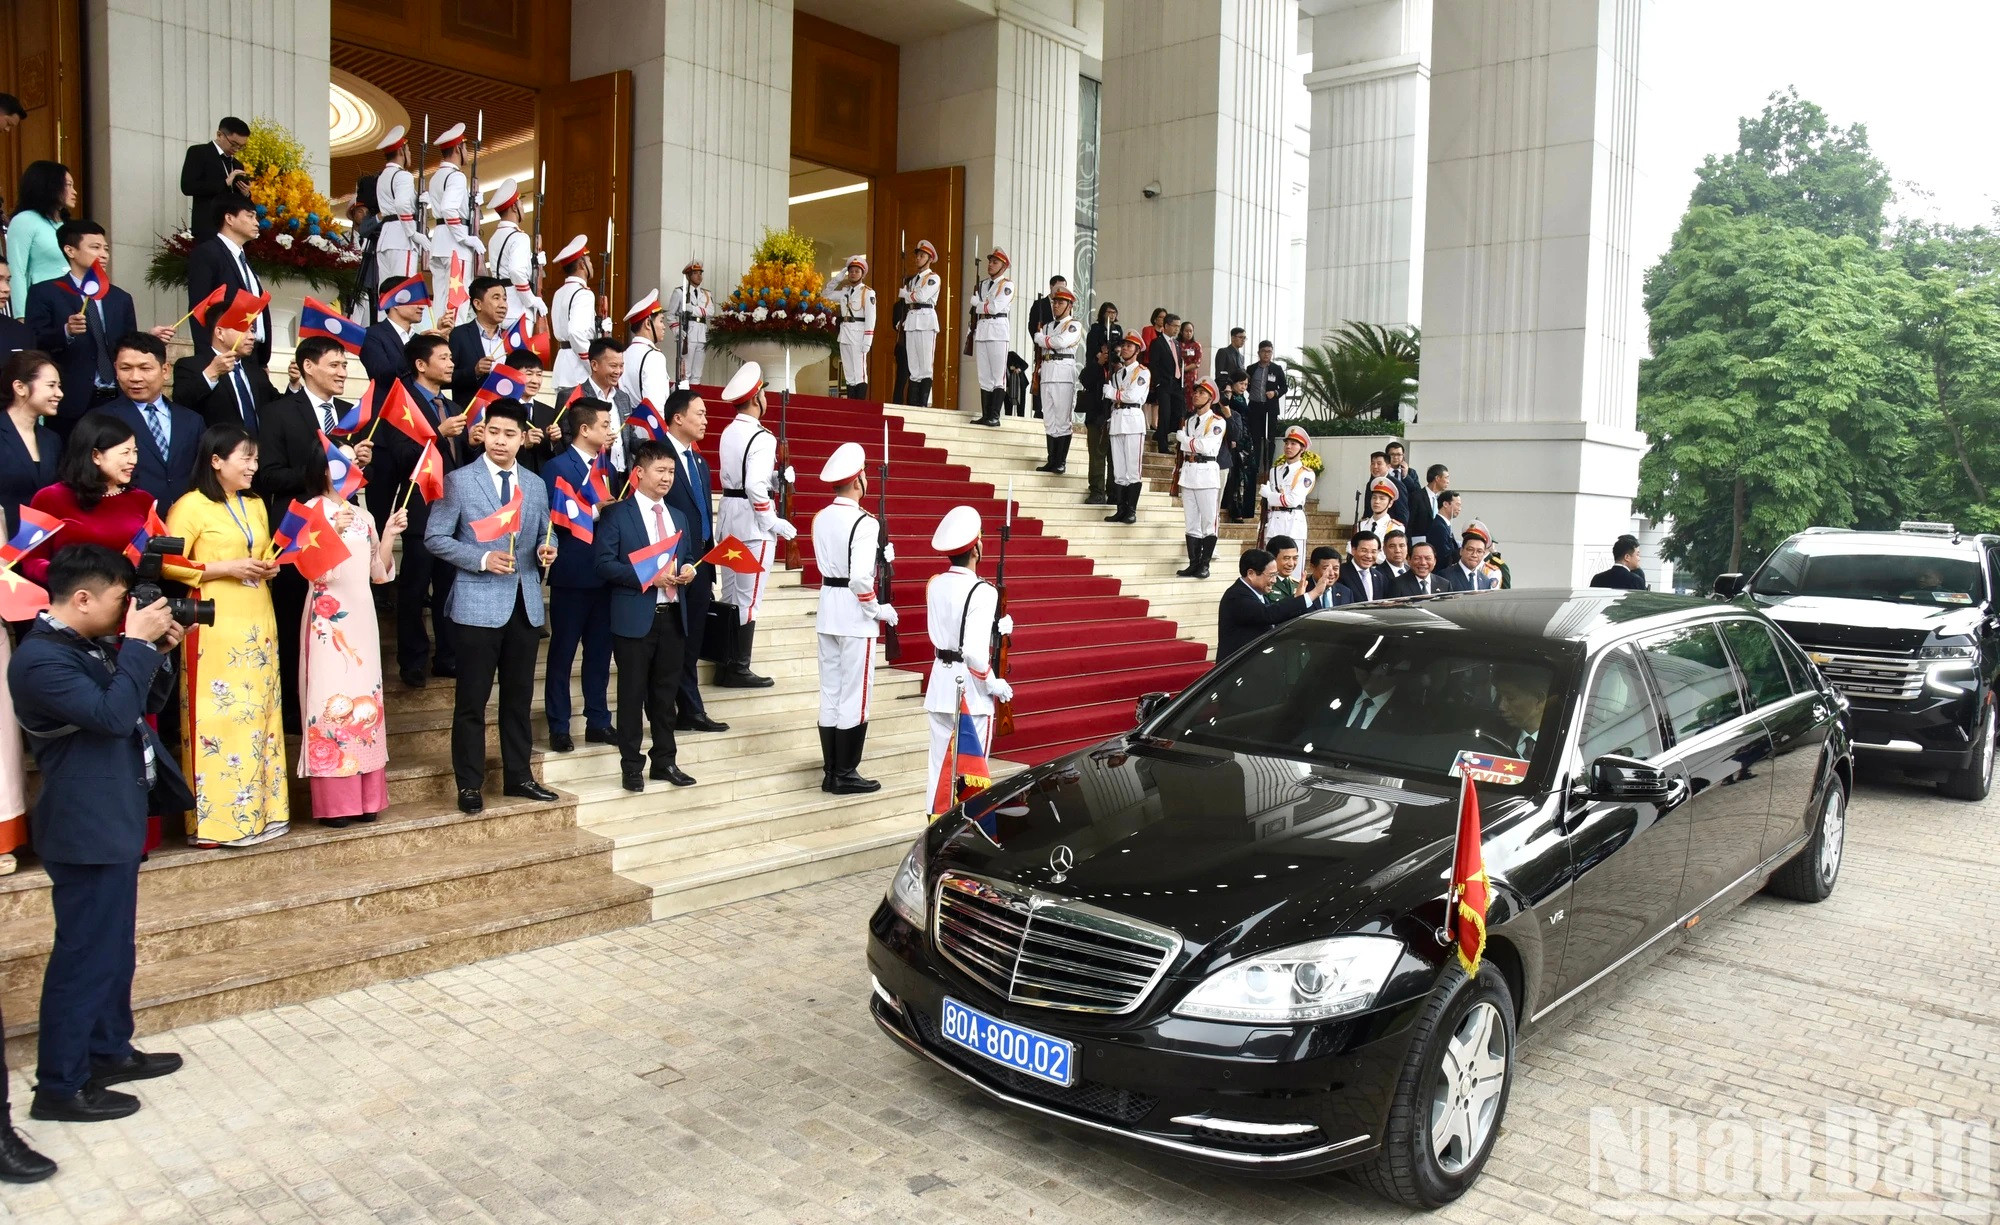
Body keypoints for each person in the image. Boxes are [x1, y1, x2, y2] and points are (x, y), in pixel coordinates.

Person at [12, 545, 190, 1130]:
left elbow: (137, 706)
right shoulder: (39, 660)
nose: (126, 613)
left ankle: (109, 1050)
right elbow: (112, 718)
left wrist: (157, 655)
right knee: (83, 958)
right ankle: (60, 1086)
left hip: (111, 816)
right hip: (82, 826)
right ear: (81, 598)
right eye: (120, 601)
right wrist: (136, 646)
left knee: (113, 950)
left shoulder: (85, 645)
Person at [424, 398, 559, 814]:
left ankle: (519, 776)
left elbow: (545, 535)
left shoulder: (534, 485)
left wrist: (547, 550)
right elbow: (435, 537)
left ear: (523, 438)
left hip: (524, 606)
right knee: (472, 701)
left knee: (518, 699)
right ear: (482, 433)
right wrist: (481, 558)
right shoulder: (459, 481)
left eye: (510, 434)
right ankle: (469, 784)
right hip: (476, 605)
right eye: (494, 432)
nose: (501, 441)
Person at [164, 424, 288, 847]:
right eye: (246, 459)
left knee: (260, 714)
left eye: (256, 459)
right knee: (219, 714)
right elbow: (167, 564)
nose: (254, 467)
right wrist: (223, 568)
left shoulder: (254, 504)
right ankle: (215, 822)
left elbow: (263, 552)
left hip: (258, 614)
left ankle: (263, 812)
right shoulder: (190, 505)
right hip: (214, 618)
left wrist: (268, 565)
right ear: (216, 461)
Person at [253, 335, 370, 730]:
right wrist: (320, 474)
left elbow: (351, 481)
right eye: (335, 365)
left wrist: (357, 466)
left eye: (344, 366)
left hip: (346, 533)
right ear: (307, 366)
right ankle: (294, 712)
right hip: (301, 533)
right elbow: (267, 474)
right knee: (293, 622)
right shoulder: (278, 413)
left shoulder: (349, 414)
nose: (343, 373)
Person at [293, 437, 406, 826]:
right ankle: (335, 801)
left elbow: (378, 572)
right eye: (341, 461)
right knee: (330, 697)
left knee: (366, 697)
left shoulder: (364, 515)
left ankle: (367, 795)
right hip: (328, 618)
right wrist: (327, 532)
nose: (352, 468)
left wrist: (389, 534)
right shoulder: (307, 511)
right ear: (325, 469)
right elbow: (310, 571)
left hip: (362, 616)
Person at [594, 439, 699, 792]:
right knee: (631, 694)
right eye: (660, 471)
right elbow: (604, 564)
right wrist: (647, 577)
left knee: (665, 695)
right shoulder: (617, 515)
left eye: (671, 471)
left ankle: (665, 761)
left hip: (672, 614)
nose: (667, 478)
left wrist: (688, 569)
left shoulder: (678, 515)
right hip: (635, 617)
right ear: (639, 473)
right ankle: (631, 765)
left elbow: (685, 555)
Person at [373, 332, 464, 688]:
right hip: (420, 508)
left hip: (453, 510)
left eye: (451, 357)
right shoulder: (403, 405)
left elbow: (462, 463)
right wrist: (438, 434)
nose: (451, 363)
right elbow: (401, 457)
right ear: (421, 364)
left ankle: (448, 656)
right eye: (443, 357)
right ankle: (412, 660)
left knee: (448, 588)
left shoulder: (456, 408)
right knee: (414, 589)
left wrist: (471, 442)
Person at [812, 441, 897, 793]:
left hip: (828, 608)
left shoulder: (821, 517)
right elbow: (861, 578)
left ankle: (831, 769)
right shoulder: (864, 522)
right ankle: (845, 773)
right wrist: (877, 609)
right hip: (853, 612)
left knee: (830, 691)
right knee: (856, 695)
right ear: (858, 480)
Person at [714, 363, 796, 688]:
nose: (765, 398)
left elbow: (745, 479)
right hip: (752, 524)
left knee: (731, 593)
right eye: (762, 393)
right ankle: (738, 667)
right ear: (756, 399)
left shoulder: (729, 431)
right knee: (749, 600)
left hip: (730, 517)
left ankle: (725, 663)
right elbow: (753, 486)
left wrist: (778, 478)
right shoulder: (762, 437)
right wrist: (772, 520)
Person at [541, 397, 615, 752]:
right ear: (584, 429)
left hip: (606, 573)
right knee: (563, 652)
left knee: (600, 653)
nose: (610, 430)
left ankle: (598, 720)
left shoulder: (609, 467)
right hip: (571, 571)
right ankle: (559, 724)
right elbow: (553, 519)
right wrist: (597, 512)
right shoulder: (556, 466)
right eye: (604, 424)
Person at [923, 506, 1012, 799]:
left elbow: (952, 630)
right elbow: (973, 651)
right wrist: (992, 682)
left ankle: (935, 829)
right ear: (976, 548)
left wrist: (993, 629)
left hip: (940, 684)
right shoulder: (983, 591)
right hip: (970, 693)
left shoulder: (936, 584)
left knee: (939, 772)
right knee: (970, 778)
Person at [658, 389, 726, 733]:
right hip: (669, 564)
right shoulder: (658, 454)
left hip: (699, 562)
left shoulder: (698, 461)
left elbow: (702, 513)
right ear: (678, 417)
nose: (705, 420)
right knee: (673, 638)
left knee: (693, 637)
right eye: (699, 414)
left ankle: (689, 706)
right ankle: (680, 706)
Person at [25, 220, 139, 423]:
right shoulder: (45, 292)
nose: (103, 254)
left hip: (117, 398)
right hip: (71, 399)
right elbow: (34, 341)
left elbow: (128, 343)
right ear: (70, 250)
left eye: (106, 248)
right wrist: (66, 331)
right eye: (95, 247)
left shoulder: (120, 298)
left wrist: (149, 340)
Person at [97, 334, 205, 511]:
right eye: (125, 368)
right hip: (130, 520)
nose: (135, 377)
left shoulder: (192, 421)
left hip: (186, 519)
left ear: (165, 371)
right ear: (115, 369)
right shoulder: (102, 419)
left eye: (145, 368)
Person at [186, 198, 273, 367]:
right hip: (224, 355)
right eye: (250, 216)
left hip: (252, 354)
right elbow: (199, 307)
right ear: (229, 219)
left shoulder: (244, 261)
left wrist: (262, 361)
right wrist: (208, 357)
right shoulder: (208, 253)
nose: (256, 223)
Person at [1218, 546, 1326, 662]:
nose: (1274, 581)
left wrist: (1296, 598)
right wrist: (1313, 593)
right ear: (1251, 573)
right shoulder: (1237, 596)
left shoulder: (1258, 593)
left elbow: (1276, 615)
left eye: (1276, 575)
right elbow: (1269, 614)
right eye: (1271, 575)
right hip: (1236, 667)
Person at [171, 324, 279, 434]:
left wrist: (293, 385)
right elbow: (181, 402)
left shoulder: (257, 372)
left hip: (259, 448)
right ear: (220, 333)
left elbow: (278, 405)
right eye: (243, 330)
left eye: (252, 330)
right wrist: (212, 373)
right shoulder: (191, 365)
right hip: (217, 448)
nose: (252, 337)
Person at [0, 349, 61, 532]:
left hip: (40, 545)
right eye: (51, 385)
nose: (59, 393)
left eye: (59, 386)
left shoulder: (52, 439)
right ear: (20, 387)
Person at [424, 123, 479, 322]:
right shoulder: (456, 176)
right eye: (465, 148)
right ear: (458, 149)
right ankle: (451, 346)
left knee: (441, 299)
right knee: (457, 301)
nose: (466, 152)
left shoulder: (436, 177)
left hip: (440, 242)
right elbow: (449, 209)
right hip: (455, 245)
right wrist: (465, 238)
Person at [1175, 379, 1226, 579]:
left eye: (1202, 393)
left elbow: (1206, 447)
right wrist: (1188, 444)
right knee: (1191, 522)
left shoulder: (1216, 421)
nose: (1196, 395)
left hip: (1206, 473)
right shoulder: (1189, 421)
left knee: (1208, 522)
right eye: (1195, 392)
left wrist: (1185, 440)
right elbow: (1188, 448)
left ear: (1211, 398)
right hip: (1189, 472)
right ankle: (1193, 563)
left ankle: (1205, 564)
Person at [7, 161, 74, 316]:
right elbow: (16, 271)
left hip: (72, 304)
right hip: (43, 307)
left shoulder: (68, 226)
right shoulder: (25, 220)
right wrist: (22, 316)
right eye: (68, 185)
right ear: (50, 185)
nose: (74, 191)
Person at [1032, 287, 1082, 474]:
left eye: (1060, 302)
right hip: (1047, 373)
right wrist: (1044, 338)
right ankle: (1051, 460)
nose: (1056, 306)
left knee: (1062, 420)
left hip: (1063, 375)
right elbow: (1046, 345)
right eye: (1054, 302)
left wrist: (1042, 339)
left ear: (1069, 305)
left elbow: (1060, 342)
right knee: (1049, 419)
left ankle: (1061, 461)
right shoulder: (1046, 326)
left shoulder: (1073, 325)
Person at [1101, 332, 1149, 525]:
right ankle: (1120, 509)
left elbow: (1132, 396)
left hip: (1133, 420)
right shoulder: (1118, 374)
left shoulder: (1142, 372)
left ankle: (1131, 510)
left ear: (1137, 351)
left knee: (1132, 470)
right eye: (1125, 345)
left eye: (1130, 346)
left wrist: (1112, 392)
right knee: (1119, 470)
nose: (1126, 349)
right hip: (1118, 420)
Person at [179, 117, 251, 244]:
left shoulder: (237, 164)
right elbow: (188, 186)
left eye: (241, 146)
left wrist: (246, 194)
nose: (236, 149)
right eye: (234, 144)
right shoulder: (199, 152)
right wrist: (225, 183)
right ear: (220, 135)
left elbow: (238, 200)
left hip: (233, 230)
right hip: (207, 227)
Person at [482, 179, 544, 327]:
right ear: (514, 207)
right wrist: (532, 300)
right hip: (518, 309)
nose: (523, 207)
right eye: (520, 203)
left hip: (500, 307)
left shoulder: (494, 238)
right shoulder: (519, 237)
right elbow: (516, 271)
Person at [371, 126, 422, 298]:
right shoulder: (403, 176)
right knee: (404, 291)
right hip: (401, 237)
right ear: (401, 150)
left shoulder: (382, 177)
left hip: (386, 237)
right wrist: (412, 232)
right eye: (408, 149)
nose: (409, 153)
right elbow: (401, 205)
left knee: (386, 294)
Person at [546, 235, 597, 402]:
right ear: (582, 264)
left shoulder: (560, 292)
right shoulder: (583, 293)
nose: (591, 264)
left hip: (563, 365)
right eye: (588, 261)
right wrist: (592, 366)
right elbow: (576, 333)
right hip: (578, 370)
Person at [448, 276, 511, 405]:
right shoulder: (459, 335)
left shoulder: (510, 338)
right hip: (470, 415)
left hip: (504, 414)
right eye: (496, 298)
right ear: (477, 304)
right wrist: (474, 372)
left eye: (504, 299)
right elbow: (444, 377)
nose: (503, 304)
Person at [1080, 302, 1120, 505]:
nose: (1108, 351)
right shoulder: (1094, 366)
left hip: (1116, 416)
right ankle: (1097, 490)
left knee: (1115, 457)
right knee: (1097, 454)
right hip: (1096, 414)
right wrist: (1099, 363)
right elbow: (1085, 380)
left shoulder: (1122, 370)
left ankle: (1113, 492)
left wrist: (1117, 363)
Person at [968, 247, 1013, 427]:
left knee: (997, 376)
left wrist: (978, 305)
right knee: (984, 375)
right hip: (983, 329)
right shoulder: (983, 284)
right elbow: (980, 311)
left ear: (1003, 267)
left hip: (998, 331)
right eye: (990, 261)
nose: (990, 265)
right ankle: (986, 415)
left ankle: (995, 415)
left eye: (995, 262)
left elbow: (994, 308)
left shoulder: (1007, 285)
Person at [359, 274, 429, 383]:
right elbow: (382, 375)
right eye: (414, 300)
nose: (421, 306)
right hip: (390, 399)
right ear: (395, 303)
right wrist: (415, 349)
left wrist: (441, 343)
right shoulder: (372, 334)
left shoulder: (419, 339)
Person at [897, 241, 941, 406]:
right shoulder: (912, 280)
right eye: (917, 255)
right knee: (914, 366)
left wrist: (907, 295)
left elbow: (922, 296)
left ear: (929, 259)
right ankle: (914, 404)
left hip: (926, 319)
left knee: (925, 366)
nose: (917, 258)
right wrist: (909, 294)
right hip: (912, 319)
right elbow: (913, 296)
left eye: (922, 256)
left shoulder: (933, 278)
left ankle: (924, 403)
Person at [825, 254, 875, 399]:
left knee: (859, 373)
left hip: (859, 333)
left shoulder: (868, 292)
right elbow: (825, 294)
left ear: (862, 274)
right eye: (851, 271)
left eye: (856, 271)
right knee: (849, 373)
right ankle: (851, 404)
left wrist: (868, 340)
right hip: (845, 332)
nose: (853, 274)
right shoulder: (845, 291)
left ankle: (860, 406)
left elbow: (871, 317)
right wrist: (837, 279)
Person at [1261, 426, 1315, 557]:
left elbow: (1292, 500)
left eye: (1293, 444)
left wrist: (1270, 495)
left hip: (1293, 523)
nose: (1288, 447)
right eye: (1286, 443)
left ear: (1302, 449)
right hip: (1274, 523)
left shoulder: (1306, 474)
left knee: (1293, 569)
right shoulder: (1275, 471)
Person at [665, 260, 712, 385]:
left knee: (697, 374)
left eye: (700, 273)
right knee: (685, 373)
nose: (699, 276)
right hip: (688, 334)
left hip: (701, 335)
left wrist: (693, 309)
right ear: (688, 276)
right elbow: (670, 315)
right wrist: (677, 330)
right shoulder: (679, 292)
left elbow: (711, 312)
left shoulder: (706, 294)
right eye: (695, 273)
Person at [1244, 340, 1287, 477]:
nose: (1267, 354)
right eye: (1264, 351)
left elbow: (1285, 387)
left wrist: (1275, 393)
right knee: (1255, 438)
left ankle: (1268, 468)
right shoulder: (1251, 369)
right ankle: (1255, 467)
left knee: (1270, 438)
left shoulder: (1277, 369)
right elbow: (1247, 385)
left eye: (1269, 351)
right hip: (1255, 407)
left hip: (1270, 408)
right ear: (1259, 353)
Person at [1146, 312, 1184, 454]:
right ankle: (1162, 445)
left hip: (1176, 383)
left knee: (1178, 412)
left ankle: (1160, 434)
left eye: (1178, 327)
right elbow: (1154, 364)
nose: (1176, 330)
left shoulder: (1177, 344)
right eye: (1174, 326)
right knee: (1165, 414)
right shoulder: (1158, 342)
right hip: (1164, 384)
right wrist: (1157, 383)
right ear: (1166, 326)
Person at [1440, 523, 1501, 591]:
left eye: (1479, 551)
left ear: (1483, 554)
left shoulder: (1485, 581)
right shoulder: (1445, 576)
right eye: (1470, 549)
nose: (1474, 555)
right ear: (1461, 551)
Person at [1340, 530, 1394, 604]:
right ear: (1353, 550)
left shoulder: (1379, 577)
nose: (1369, 556)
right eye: (1364, 550)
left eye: (1373, 551)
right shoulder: (1340, 573)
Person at [1353, 474, 1403, 542]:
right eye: (1374, 497)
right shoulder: (1361, 525)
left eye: (1382, 498)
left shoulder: (1395, 527)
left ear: (1390, 503)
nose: (1376, 501)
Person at [1303, 546, 1353, 610]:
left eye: (1335, 568)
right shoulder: (1302, 590)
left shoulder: (1346, 593)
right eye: (1326, 568)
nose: (1331, 573)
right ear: (1312, 567)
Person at [1430, 489, 1464, 569]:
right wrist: (1464, 549)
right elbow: (1444, 556)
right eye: (1457, 505)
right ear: (1445, 504)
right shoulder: (1439, 527)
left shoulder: (1445, 525)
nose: (1459, 509)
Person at [1267, 535, 1301, 601]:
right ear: (1272, 558)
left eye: (1295, 558)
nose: (1291, 564)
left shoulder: (1297, 585)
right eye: (1286, 558)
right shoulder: (1265, 584)